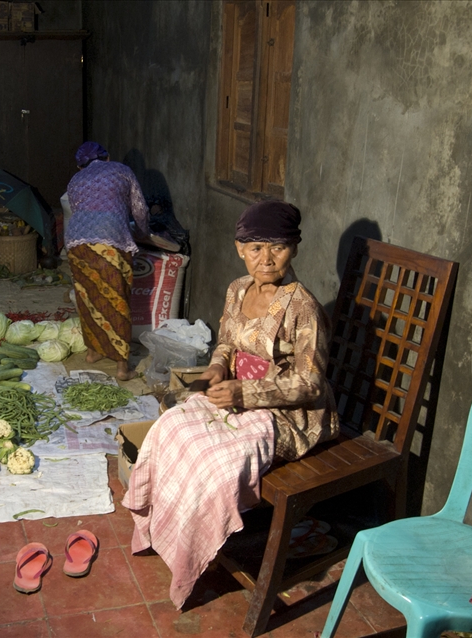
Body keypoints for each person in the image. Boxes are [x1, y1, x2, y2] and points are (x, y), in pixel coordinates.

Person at [122, 200, 340, 609]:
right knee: (170, 428)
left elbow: (310, 384)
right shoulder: (237, 289)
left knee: (215, 465)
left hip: (289, 415)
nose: (266, 258)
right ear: (240, 249)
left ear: (294, 248)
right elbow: (224, 344)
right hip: (238, 394)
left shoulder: (303, 308)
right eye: (255, 248)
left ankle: (194, 549)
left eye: (277, 247)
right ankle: (164, 528)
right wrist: (216, 372)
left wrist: (244, 393)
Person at [65, 141, 150, 381]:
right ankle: (123, 368)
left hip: (77, 244)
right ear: (107, 157)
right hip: (110, 241)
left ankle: (93, 353)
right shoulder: (122, 171)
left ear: (80, 166)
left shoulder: (75, 181)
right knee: (116, 299)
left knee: (88, 297)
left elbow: (78, 211)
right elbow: (140, 210)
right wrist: (143, 233)